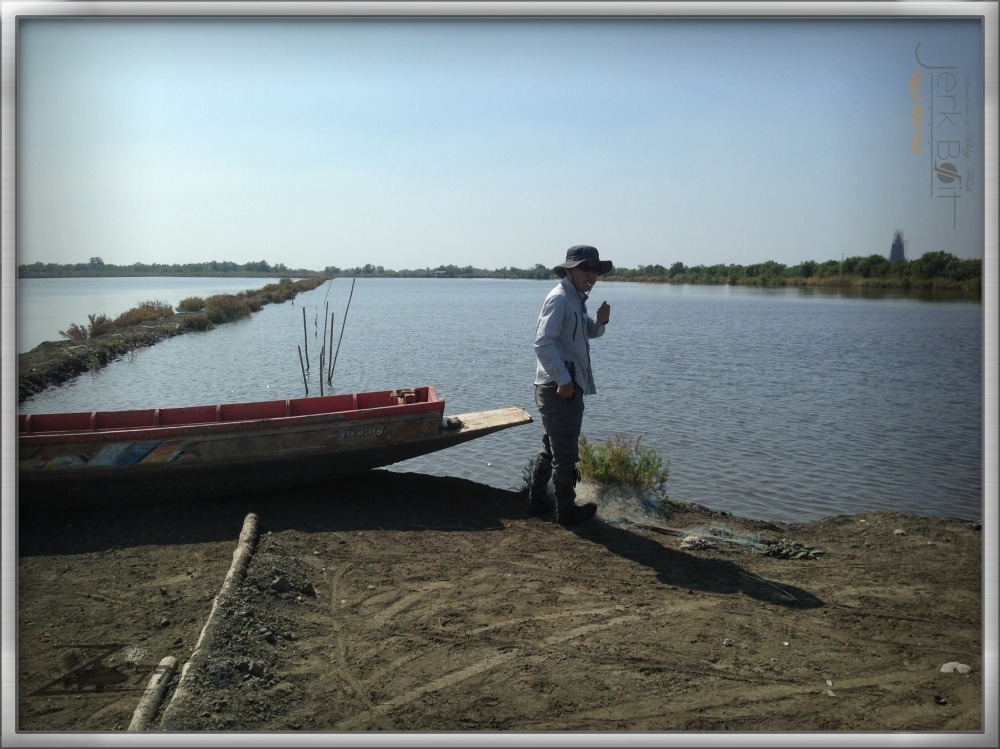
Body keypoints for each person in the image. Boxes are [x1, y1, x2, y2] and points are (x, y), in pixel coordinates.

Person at [528, 244, 613, 526]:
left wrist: (601, 322)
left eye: (595, 269)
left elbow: (586, 332)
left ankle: (537, 499)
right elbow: (542, 341)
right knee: (564, 452)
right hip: (560, 388)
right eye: (585, 268)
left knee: (550, 447)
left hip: (559, 385)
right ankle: (566, 511)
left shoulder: (575, 299)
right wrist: (563, 380)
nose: (591, 274)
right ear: (569, 270)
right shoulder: (561, 299)